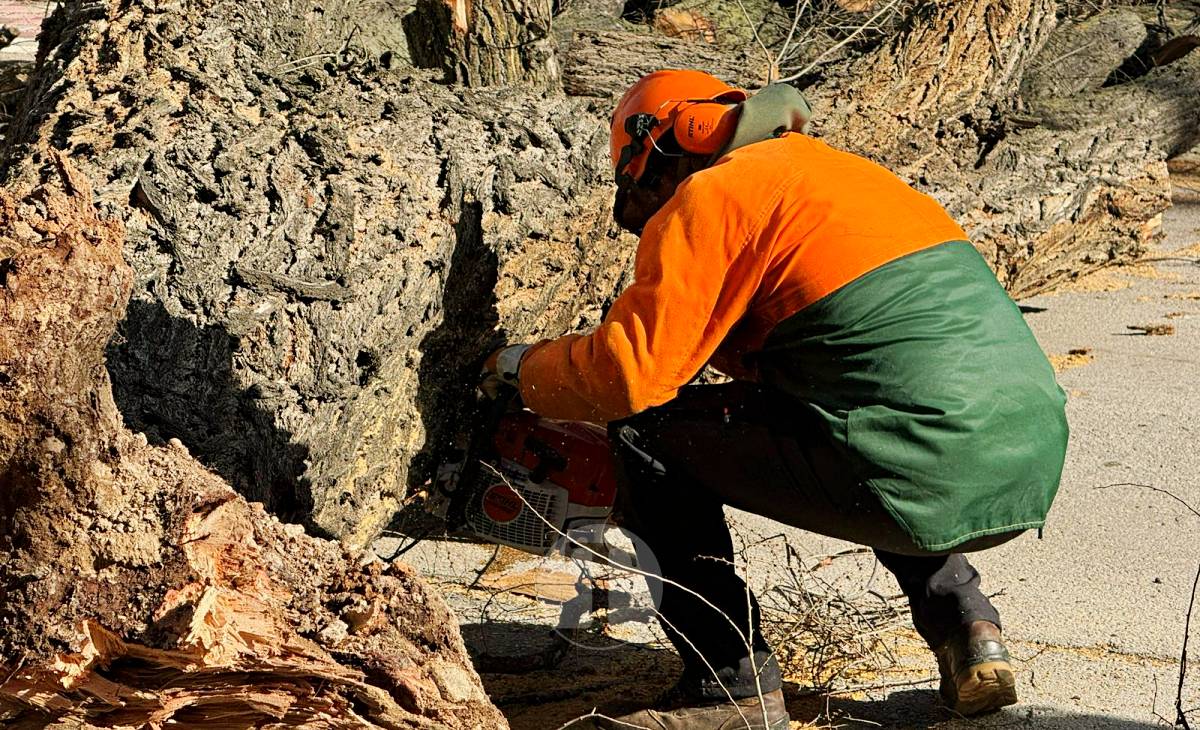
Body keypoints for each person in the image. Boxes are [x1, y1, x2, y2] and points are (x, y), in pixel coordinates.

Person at [483, 69, 1068, 729]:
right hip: (1025, 457)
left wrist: (521, 368)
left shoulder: (715, 192)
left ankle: (728, 690)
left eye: (644, 188)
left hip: (923, 464)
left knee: (644, 432)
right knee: (874, 411)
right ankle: (971, 634)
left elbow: (628, 377)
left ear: (656, 151)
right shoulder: (841, 177)